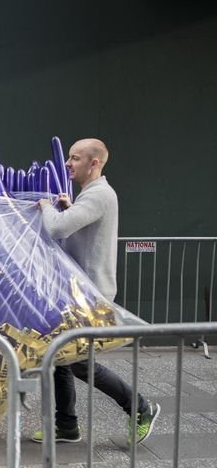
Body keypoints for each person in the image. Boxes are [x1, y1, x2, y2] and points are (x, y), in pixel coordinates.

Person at [34, 138, 159, 446]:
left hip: (88, 297)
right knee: (60, 357)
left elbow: (57, 229)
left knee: (77, 362)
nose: (67, 164)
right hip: (77, 293)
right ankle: (66, 426)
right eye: (68, 157)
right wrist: (67, 207)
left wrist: (47, 207)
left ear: (94, 163)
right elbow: (78, 227)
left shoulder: (100, 194)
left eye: (75, 158)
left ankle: (140, 407)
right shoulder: (90, 195)